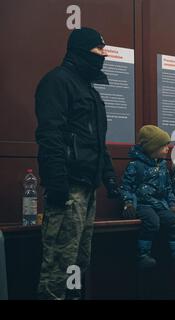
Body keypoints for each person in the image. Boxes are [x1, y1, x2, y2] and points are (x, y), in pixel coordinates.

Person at [35, 28, 120, 300]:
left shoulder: (90, 92)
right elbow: (51, 136)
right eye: (99, 49)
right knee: (59, 264)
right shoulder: (57, 82)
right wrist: (57, 183)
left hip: (87, 189)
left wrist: (109, 179)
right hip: (68, 190)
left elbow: (98, 142)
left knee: (78, 263)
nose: (104, 55)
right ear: (81, 51)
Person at [121, 125, 175, 269]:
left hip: (160, 204)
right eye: (164, 146)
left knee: (173, 221)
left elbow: (168, 188)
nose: (168, 149)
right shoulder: (135, 165)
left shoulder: (162, 166)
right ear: (153, 148)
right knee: (152, 222)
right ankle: (143, 254)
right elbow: (126, 186)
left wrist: (172, 205)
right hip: (143, 204)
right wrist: (128, 203)